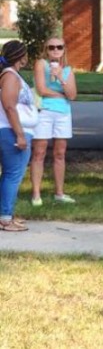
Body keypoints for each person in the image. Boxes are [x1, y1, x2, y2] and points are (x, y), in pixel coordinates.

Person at [30, 37, 78, 206]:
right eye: (51, 47)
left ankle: (59, 193)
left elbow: (72, 95)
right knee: (39, 152)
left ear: (64, 50)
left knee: (60, 153)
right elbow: (42, 90)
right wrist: (61, 95)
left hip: (63, 114)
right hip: (44, 111)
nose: (55, 50)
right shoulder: (40, 64)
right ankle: (36, 193)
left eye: (59, 47)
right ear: (46, 49)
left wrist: (61, 78)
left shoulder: (68, 70)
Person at [0, 41, 37, 231]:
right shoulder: (10, 76)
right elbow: (9, 106)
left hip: (12, 130)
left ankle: (6, 214)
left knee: (10, 175)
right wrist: (20, 135)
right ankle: (5, 219)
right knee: (12, 175)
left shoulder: (12, 75)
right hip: (10, 131)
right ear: (22, 56)